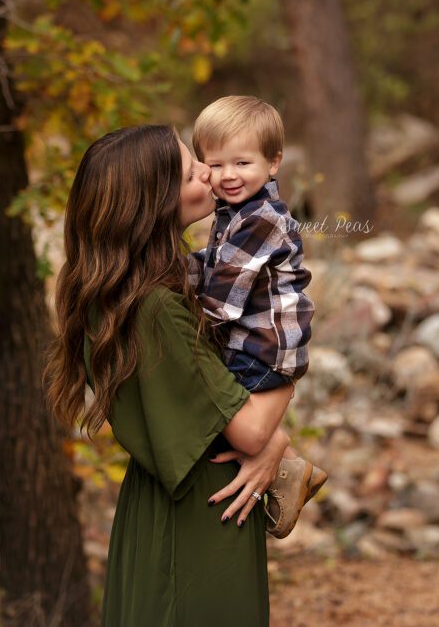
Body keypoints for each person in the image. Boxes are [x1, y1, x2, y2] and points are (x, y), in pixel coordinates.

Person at [45, 124, 293, 626]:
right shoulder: (156, 307)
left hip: (158, 505)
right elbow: (250, 430)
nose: (208, 171)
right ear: (151, 205)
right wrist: (287, 367)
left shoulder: (111, 295)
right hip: (201, 515)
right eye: (189, 173)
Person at [189, 95, 327, 538]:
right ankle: (290, 465)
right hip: (257, 342)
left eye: (243, 163)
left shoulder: (260, 219)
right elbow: (215, 264)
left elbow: (222, 303)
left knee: (211, 412)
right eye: (216, 164)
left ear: (274, 163)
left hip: (263, 347)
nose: (229, 175)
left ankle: (282, 462)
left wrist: (181, 325)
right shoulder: (235, 212)